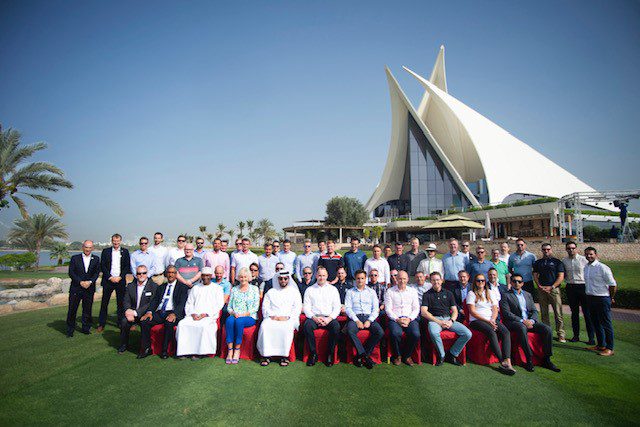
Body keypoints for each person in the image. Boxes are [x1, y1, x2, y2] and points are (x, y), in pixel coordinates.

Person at [500, 274, 560, 372]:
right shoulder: (506, 295)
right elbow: (507, 313)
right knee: (522, 327)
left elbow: (534, 311)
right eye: (514, 281)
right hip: (514, 322)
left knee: (547, 329)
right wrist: (523, 321)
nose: (517, 283)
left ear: (522, 283)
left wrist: (531, 321)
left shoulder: (527, 295)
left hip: (529, 321)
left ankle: (547, 359)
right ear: (510, 283)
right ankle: (529, 359)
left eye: (519, 281)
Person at [466, 273, 515, 375]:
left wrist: (492, 319)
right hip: (476, 320)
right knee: (491, 331)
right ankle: (502, 361)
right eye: (478, 280)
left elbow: (495, 308)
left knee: (505, 332)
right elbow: (472, 312)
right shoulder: (471, 293)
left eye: (482, 280)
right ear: (475, 282)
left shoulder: (490, 292)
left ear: (485, 282)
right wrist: (487, 321)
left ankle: (508, 360)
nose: (480, 282)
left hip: (491, 319)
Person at [421, 272, 472, 366]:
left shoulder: (449, 293)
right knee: (433, 332)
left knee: (467, 333)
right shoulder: (427, 294)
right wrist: (439, 322)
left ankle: (452, 354)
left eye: (437, 279)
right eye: (433, 280)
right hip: (435, 320)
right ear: (430, 281)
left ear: (441, 280)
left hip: (449, 319)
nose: (436, 282)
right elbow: (424, 312)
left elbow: (455, 310)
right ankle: (442, 355)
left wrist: (451, 321)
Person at [175, 267, 225, 360]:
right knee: (182, 324)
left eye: (207, 276)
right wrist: (192, 313)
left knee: (204, 326)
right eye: (203, 275)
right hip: (194, 315)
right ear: (201, 276)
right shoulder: (195, 288)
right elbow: (189, 303)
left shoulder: (217, 288)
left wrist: (205, 314)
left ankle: (200, 352)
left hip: (208, 316)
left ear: (211, 276)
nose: (205, 277)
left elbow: (219, 304)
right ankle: (184, 351)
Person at [257, 270, 303, 366]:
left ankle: (284, 356)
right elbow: (265, 307)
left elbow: (297, 308)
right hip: (272, 317)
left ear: (288, 279)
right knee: (265, 327)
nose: (283, 280)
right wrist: (272, 316)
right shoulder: (271, 292)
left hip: (288, 318)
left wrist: (287, 317)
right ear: (277, 279)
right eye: (281, 278)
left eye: (285, 278)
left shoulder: (294, 292)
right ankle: (266, 355)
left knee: (285, 328)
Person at [143, 265, 189, 359]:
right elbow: (155, 301)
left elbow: (182, 303)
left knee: (169, 323)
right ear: (166, 274)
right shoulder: (161, 287)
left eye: (173, 273)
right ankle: (147, 349)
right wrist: (149, 312)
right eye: (169, 272)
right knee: (145, 321)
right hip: (161, 312)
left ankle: (164, 351)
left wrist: (174, 314)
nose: (171, 275)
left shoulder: (182, 287)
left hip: (173, 312)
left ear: (176, 274)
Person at [344, 270, 384, 369]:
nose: (360, 280)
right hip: (355, 317)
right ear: (355, 279)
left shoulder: (371, 292)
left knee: (380, 332)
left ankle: (362, 355)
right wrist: (356, 320)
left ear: (366, 279)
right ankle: (365, 356)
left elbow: (375, 309)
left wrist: (369, 320)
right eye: (358, 278)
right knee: (350, 330)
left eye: (362, 278)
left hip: (368, 317)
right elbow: (348, 308)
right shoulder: (350, 292)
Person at [303, 266, 342, 366]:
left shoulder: (333, 290)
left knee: (336, 327)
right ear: (316, 276)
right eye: (319, 275)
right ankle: (313, 354)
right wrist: (314, 318)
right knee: (307, 326)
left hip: (329, 317)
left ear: (327, 276)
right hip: (314, 317)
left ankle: (329, 354)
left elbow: (337, 307)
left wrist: (329, 318)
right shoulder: (310, 290)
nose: (321, 278)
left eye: (324, 275)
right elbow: (306, 308)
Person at [118, 265, 158, 357]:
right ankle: (124, 344)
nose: (141, 275)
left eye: (143, 273)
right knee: (124, 321)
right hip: (131, 313)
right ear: (136, 274)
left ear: (147, 274)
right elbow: (126, 300)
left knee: (145, 322)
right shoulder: (130, 286)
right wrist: (128, 311)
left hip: (145, 313)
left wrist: (136, 313)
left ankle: (144, 347)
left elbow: (151, 303)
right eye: (139, 273)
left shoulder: (154, 286)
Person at [584, 247, 617, 356]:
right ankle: (601, 344)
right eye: (587, 254)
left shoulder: (603, 268)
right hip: (590, 298)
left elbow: (612, 285)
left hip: (602, 298)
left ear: (596, 254)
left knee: (606, 323)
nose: (589, 256)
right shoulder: (586, 267)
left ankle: (610, 348)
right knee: (596, 323)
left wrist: (611, 297)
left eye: (591, 254)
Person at [225, 267, 260, 364]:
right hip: (235, 315)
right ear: (238, 278)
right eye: (241, 277)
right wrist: (233, 313)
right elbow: (229, 307)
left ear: (249, 277)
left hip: (249, 316)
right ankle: (230, 350)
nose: (243, 279)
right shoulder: (234, 289)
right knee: (229, 320)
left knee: (239, 321)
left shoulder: (254, 289)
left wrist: (244, 314)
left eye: (245, 277)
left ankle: (237, 349)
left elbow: (255, 308)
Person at [385, 271, 420, 366]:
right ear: (396, 279)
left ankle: (407, 356)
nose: (402, 281)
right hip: (395, 318)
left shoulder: (412, 291)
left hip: (410, 318)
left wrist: (409, 319)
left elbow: (416, 308)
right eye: (400, 278)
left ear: (408, 279)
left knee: (415, 334)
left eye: (404, 278)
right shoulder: (390, 291)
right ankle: (397, 355)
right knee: (395, 333)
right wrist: (397, 319)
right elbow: (388, 309)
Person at [66, 240, 101, 337]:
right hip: (76, 288)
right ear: (83, 247)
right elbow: (71, 273)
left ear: (92, 248)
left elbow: (96, 273)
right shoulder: (75, 258)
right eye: (86, 247)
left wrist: (89, 282)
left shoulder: (96, 259)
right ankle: (70, 330)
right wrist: (80, 282)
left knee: (87, 310)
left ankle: (86, 328)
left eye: (90, 247)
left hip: (89, 288)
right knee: (72, 309)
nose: (88, 249)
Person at [533, 243, 566, 342]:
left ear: (551, 250)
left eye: (548, 249)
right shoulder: (538, 262)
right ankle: (547, 332)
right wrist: (539, 285)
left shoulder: (557, 262)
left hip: (554, 289)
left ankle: (561, 333)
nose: (546, 251)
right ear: (542, 250)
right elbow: (535, 275)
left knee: (558, 313)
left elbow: (561, 276)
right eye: (544, 249)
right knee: (544, 313)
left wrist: (552, 286)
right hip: (542, 289)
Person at [562, 241, 594, 344]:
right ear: (566, 249)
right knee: (574, 313)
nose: (571, 250)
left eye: (573, 248)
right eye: (569, 248)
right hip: (571, 287)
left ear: (576, 249)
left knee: (587, 313)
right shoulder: (564, 260)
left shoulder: (584, 260)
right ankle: (576, 336)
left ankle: (591, 338)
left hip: (583, 286)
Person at [98, 234, 131, 332]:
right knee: (104, 303)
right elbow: (103, 266)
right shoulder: (106, 251)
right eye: (114, 241)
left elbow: (126, 266)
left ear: (120, 241)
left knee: (120, 303)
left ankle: (121, 322)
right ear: (112, 241)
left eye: (117, 241)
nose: (116, 243)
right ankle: (101, 323)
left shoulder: (125, 251)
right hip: (108, 281)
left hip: (120, 281)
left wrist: (120, 277)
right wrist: (110, 277)